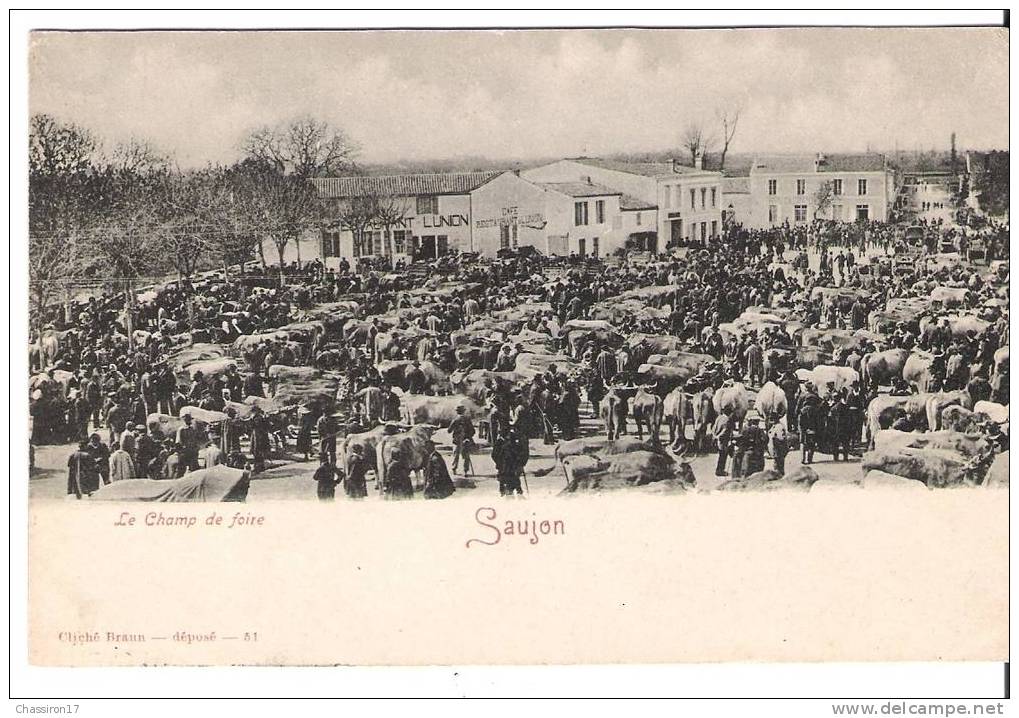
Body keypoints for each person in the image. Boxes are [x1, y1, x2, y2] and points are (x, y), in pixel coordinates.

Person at [737, 412, 769, 477]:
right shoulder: (760, 430)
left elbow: (742, 441)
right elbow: (765, 439)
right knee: (758, 471)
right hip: (758, 452)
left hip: (748, 452)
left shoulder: (746, 430)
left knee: (747, 470)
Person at [448, 404, 475, 476]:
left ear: (457, 412)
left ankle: (454, 469)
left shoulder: (455, 420)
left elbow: (449, 430)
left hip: (456, 440)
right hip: (465, 440)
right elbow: (472, 431)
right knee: (466, 456)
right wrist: (468, 437)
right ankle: (465, 471)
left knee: (455, 455)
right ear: (464, 411)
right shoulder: (467, 419)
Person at [712, 407, 734, 477]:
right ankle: (720, 471)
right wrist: (719, 436)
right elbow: (724, 430)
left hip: (717, 439)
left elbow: (714, 427)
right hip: (723, 440)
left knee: (721, 455)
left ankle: (719, 470)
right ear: (729, 413)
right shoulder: (727, 419)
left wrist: (715, 436)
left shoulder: (719, 417)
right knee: (723, 456)